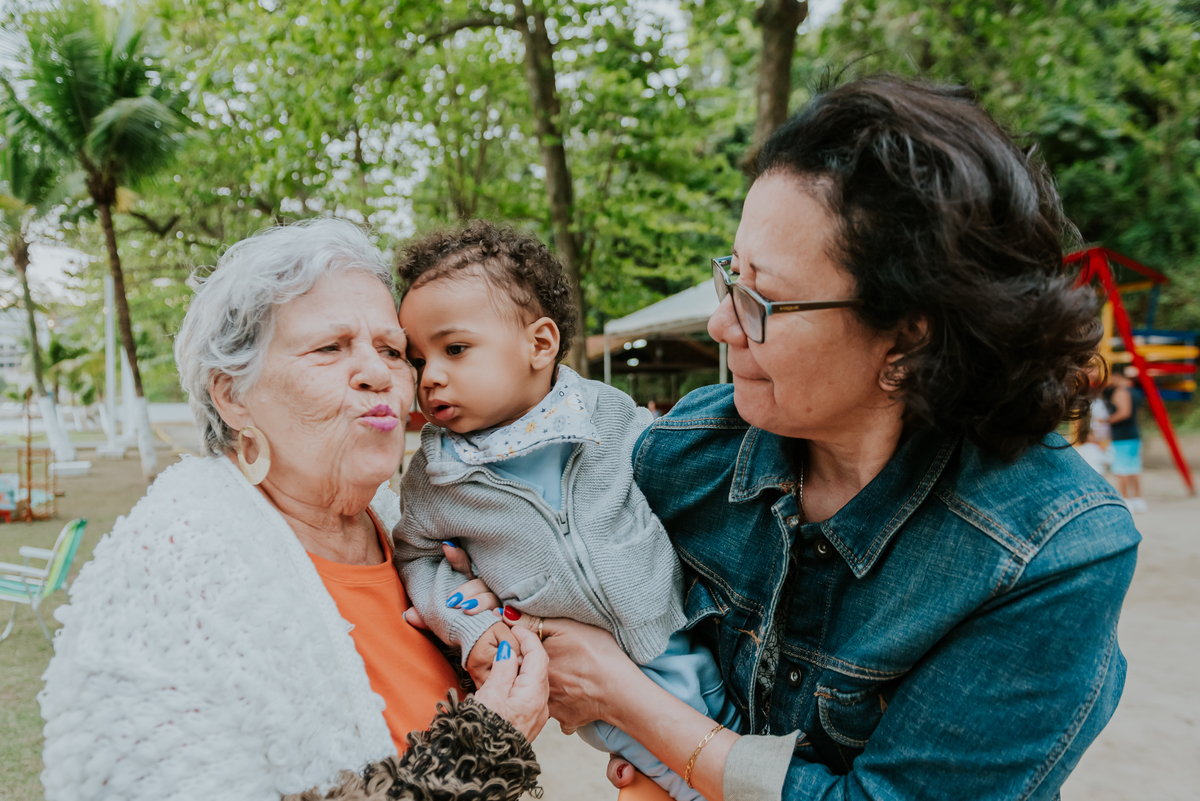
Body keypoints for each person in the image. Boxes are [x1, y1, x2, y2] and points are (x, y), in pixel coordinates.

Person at [500, 76, 1140, 801]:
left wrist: (635, 706)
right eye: (729, 276)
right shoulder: (685, 454)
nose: (722, 324)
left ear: (907, 336)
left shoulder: (1048, 550)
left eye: (761, 298)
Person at [39, 219, 548, 801]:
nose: (378, 373)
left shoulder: (416, 534)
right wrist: (487, 744)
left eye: (391, 349)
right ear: (232, 394)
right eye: (329, 348)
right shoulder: (162, 583)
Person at [393, 221, 741, 801]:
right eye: (417, 359)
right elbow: (417, 560)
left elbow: (677, 485)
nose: (430, 378)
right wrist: (472, 626)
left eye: (454, 349)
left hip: (696, 647)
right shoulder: (436, 476)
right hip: (590, 692)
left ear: (539, 344)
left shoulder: (607, 416)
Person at [1105, 368, 1147, 512]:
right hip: (1134, 434)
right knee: (1134, 468)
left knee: (1121, 470)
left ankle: (1125, 499)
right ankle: (1138, 500)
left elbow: (1124, 412)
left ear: (1117, 375)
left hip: (1122, 436)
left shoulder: (1121, 391)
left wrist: (1105, 420)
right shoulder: (1134, 391)